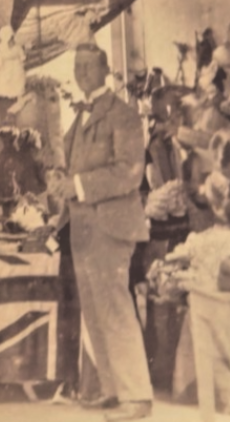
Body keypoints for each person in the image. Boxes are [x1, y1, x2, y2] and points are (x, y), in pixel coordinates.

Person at [49, 43, 153, 421]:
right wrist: (61, 180)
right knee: (96, 313)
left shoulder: (123, 114)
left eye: (88, 66)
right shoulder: (81, 115)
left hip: (111, 228)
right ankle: (113, 391)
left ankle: (137, 397)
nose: (81, 73)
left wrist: (77, 185)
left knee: (115, 310)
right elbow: (76, 168)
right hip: (84, 229)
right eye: (77, 66)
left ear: (105, 70)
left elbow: (129, 173)